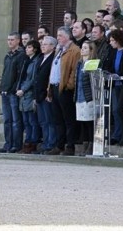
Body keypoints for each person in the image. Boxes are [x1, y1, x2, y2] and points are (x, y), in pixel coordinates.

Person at [46, 27, 81, 156]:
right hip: (55, 87)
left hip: (65, 89)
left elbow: (74, 70)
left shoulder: (74, 50)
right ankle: (59, 145)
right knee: (57, 119)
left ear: (67, 36)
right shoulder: (59, 50)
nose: (58, 38)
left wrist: (69, 85)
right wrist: (49, 89)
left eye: (60, 35)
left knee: (68, 119)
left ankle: (70, 145)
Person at [0, 32, 26, 153]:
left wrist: (14, 89)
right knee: (7, 120)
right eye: (8, 40)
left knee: (15, 120)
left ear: (18, 41)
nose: (10, 42)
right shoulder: (8, 55)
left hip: (13, 92)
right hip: (4, 91)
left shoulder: (21, 55)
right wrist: (1, 88)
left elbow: (20, 75)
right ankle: (7, 144)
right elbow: (4, 73)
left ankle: (16, 144)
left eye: (12, 40)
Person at [105, 29, 123, 146]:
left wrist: (121, 75)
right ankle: (117, 134)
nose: (111, 43)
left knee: (120, 110)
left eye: (113, 40)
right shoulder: (112, 51)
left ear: (119, 40)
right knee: (115, 110)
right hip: (114, 84)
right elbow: (109, 65)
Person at [16, 40, 41, 153]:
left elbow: (32, 79)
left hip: (30, 93)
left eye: (29, 47)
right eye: (26, 47)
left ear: (35, 49)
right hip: (23, 93)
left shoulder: (36, 61)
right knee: (26, 120)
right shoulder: (27, 61)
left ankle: (33, 142)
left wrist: (23, 89)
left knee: (32, 120)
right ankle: (27, 141)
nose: (26, 49)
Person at [74, 41, 97, 156]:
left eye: (85, 48)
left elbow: (93, 80)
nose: (82, 50)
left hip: (88, 96)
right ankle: (85, 145)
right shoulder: (79, 63)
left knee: (89, 122)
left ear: (91, 50)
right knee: (82, 122)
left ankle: (91, 145)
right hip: (79, 96)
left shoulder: (92, 63)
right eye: (82, 48)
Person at [34, 36, 56, 154]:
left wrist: (49, 92)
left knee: (49, 120)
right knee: (43, 121)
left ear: (52, 46)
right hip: (38, 94)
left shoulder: (53, 59)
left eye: (46, 44)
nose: (43, 46)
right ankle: (45, 143)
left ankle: (50, 144)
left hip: (47, 94)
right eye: (42, 44)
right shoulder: (41, 58)